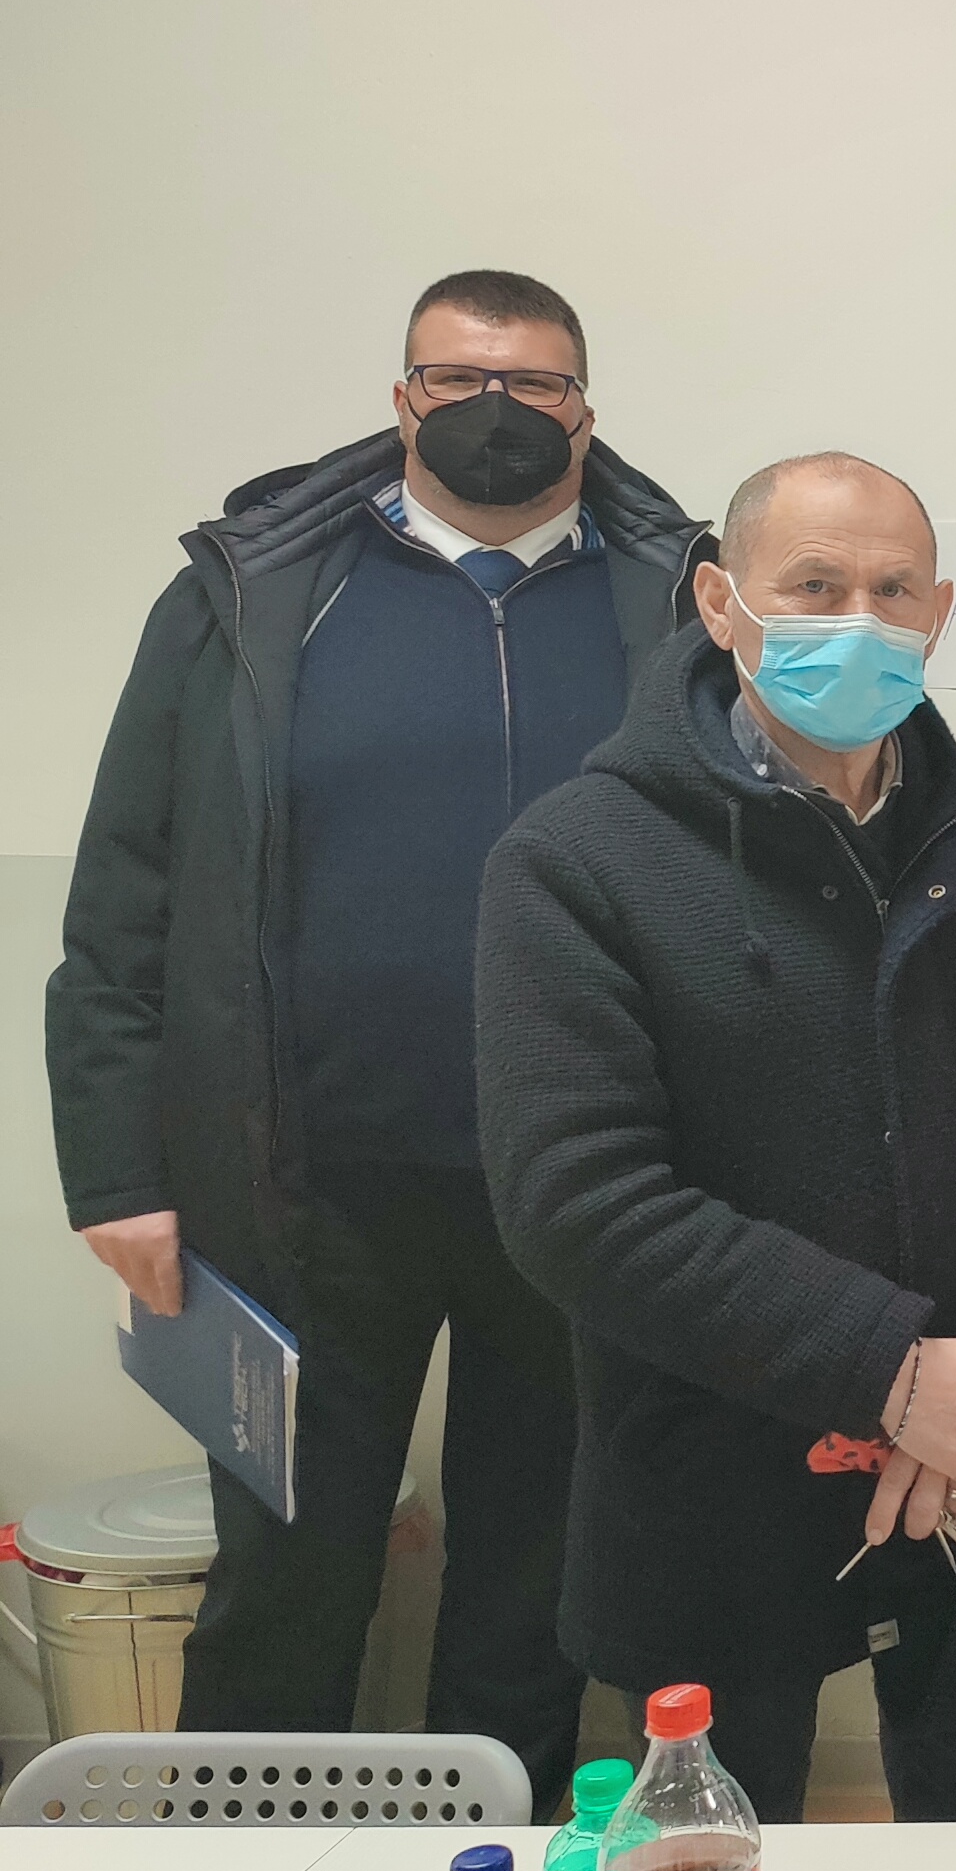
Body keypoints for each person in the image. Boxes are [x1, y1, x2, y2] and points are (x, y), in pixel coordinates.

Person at [43, 271, 681, 1808]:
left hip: (577, 1187)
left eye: (535, 383)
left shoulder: (674, 598)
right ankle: (248, 1846)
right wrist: (116, 1170)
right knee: (286, 1578)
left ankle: (497, 1831)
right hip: (300, 1195)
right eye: (459, 376)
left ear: (585, 409)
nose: (496, 408)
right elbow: (126, 886)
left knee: (538, 1581)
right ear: (402, 397)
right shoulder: (251, 593)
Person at [475, 452, 956, 1821]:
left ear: (940, 613)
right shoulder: (578, 859)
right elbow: (578, 1200)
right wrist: (891, 1373)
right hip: (712, 1476)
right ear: (720, 602)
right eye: (813, 585)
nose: (859, 619)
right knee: (714, 1828)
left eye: (894, 590)